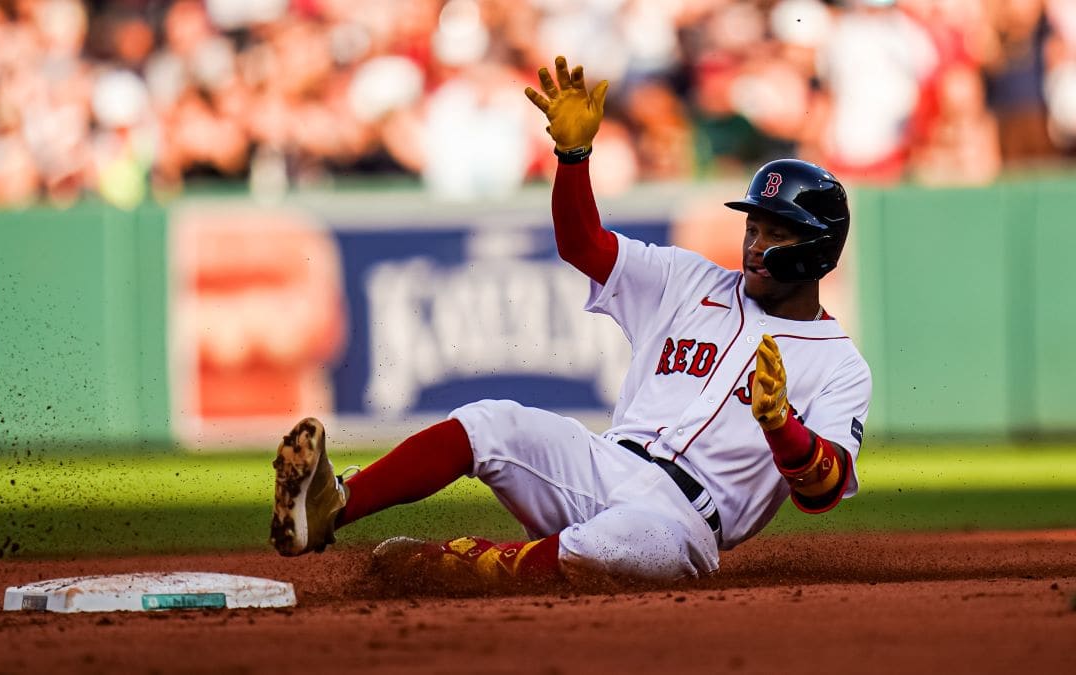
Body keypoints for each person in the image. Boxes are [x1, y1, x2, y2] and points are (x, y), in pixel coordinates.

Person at [269, 56, 872, 591]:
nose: (754, 245)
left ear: (817, 249)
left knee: (608, 547)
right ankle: (333, 503)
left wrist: (781, 427)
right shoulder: (689, 280)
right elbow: (582, 243)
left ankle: (441, 566)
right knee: (490, 424)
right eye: (752, 227)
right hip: (606, 465)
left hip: (684, 523)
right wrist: (573, 158)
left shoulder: (840, 366)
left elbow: (821, 494)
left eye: (776, 232)